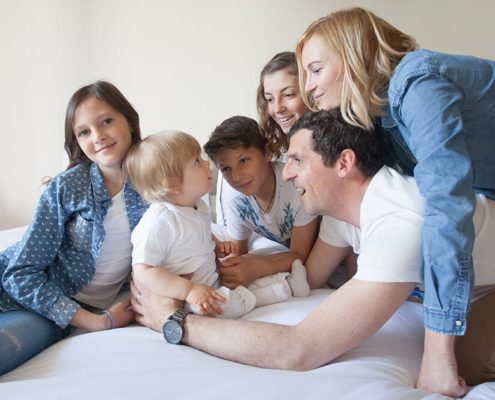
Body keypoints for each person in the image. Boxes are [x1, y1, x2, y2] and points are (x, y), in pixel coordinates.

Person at [132, 110, 494, 387]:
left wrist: (177, 321)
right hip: (463, 287)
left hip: (485, 290)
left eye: (297, 161)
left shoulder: (398, 223)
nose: (286, 174)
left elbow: (298, 349)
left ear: (344, 163)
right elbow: (310, 277)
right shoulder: (343, 215)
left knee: (471, 359)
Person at [295, 7, 495, 396]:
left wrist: (437, 350)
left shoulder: (418, 81)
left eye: (316, 70)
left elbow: (447, 204)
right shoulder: (380, 125)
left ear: (352, 55)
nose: (309, 88)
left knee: (464, 357)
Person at [0, 81, 148, 375]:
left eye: (106, 121)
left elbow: (179, 224)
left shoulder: (154, 181)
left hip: (46, 315)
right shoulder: (67, 187)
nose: (99, 136)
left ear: (129, 122)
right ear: (77, 141)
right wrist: (95, 321)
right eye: (84, 132)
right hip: (20, 289)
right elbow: (19, 272)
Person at [123, 131, 310, 318]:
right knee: (224, 306)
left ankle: (290, 282)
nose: (207, 163)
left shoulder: (198, 205)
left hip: (211, 280)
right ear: (172, 184)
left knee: (244, 279)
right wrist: (188, 291)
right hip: (189, 298)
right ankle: (275, 292)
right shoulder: (159, 222)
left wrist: (218, 244)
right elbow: (143, 271)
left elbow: (200, 232)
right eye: (196, 161)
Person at [204, 116, 318, 289]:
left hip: (325, 249)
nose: (236, 176)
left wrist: (257, 267)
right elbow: (237, 252)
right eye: (226, 169)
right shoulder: (235, 197)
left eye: (244, 161)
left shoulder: (296, 187)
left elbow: (300, 255)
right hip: (281, 248)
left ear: (267, 152)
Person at [215, 52, 308, 228]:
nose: (278, 108)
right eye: (270, 99)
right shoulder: (275, 148)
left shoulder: (330, 145)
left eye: (288, 95)